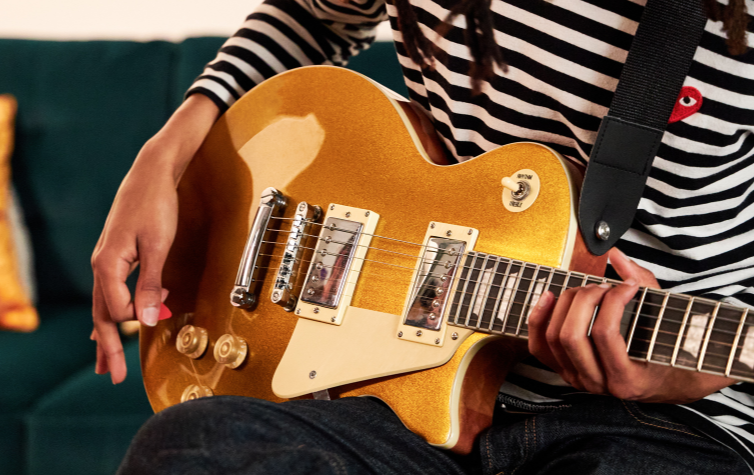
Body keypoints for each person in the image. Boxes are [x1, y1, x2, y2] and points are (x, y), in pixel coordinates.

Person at [91, 0, 754, 472]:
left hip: (665, 423)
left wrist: (688, 379)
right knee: (191, 449)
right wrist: (164, 154)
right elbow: (315, 13)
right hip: (395, 390)